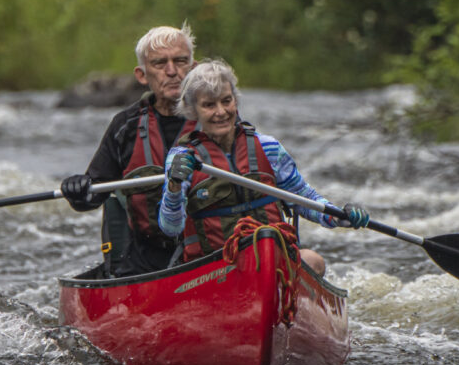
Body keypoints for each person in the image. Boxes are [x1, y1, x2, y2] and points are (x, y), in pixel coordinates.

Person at [158, 59, 369, 276]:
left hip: (272, 260)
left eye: (226, 101)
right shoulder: (182, 158)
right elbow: (170, 227)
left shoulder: (268, 147)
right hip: (214, 269)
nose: (221, 112)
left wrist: (337, 216)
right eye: (209, 105)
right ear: (194, 111)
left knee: (313, 261)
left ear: (235, 101)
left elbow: (303, 197)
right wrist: (174, 187)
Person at [60, 23, 199, 276]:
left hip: (209, 252)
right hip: (145, 259)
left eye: (180, 61)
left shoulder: (218, 119)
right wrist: (77, 190)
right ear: (142, 75)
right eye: (159, 64)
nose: (172, 71)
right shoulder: (125, 126)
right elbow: (94, 193)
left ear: (194, 67)